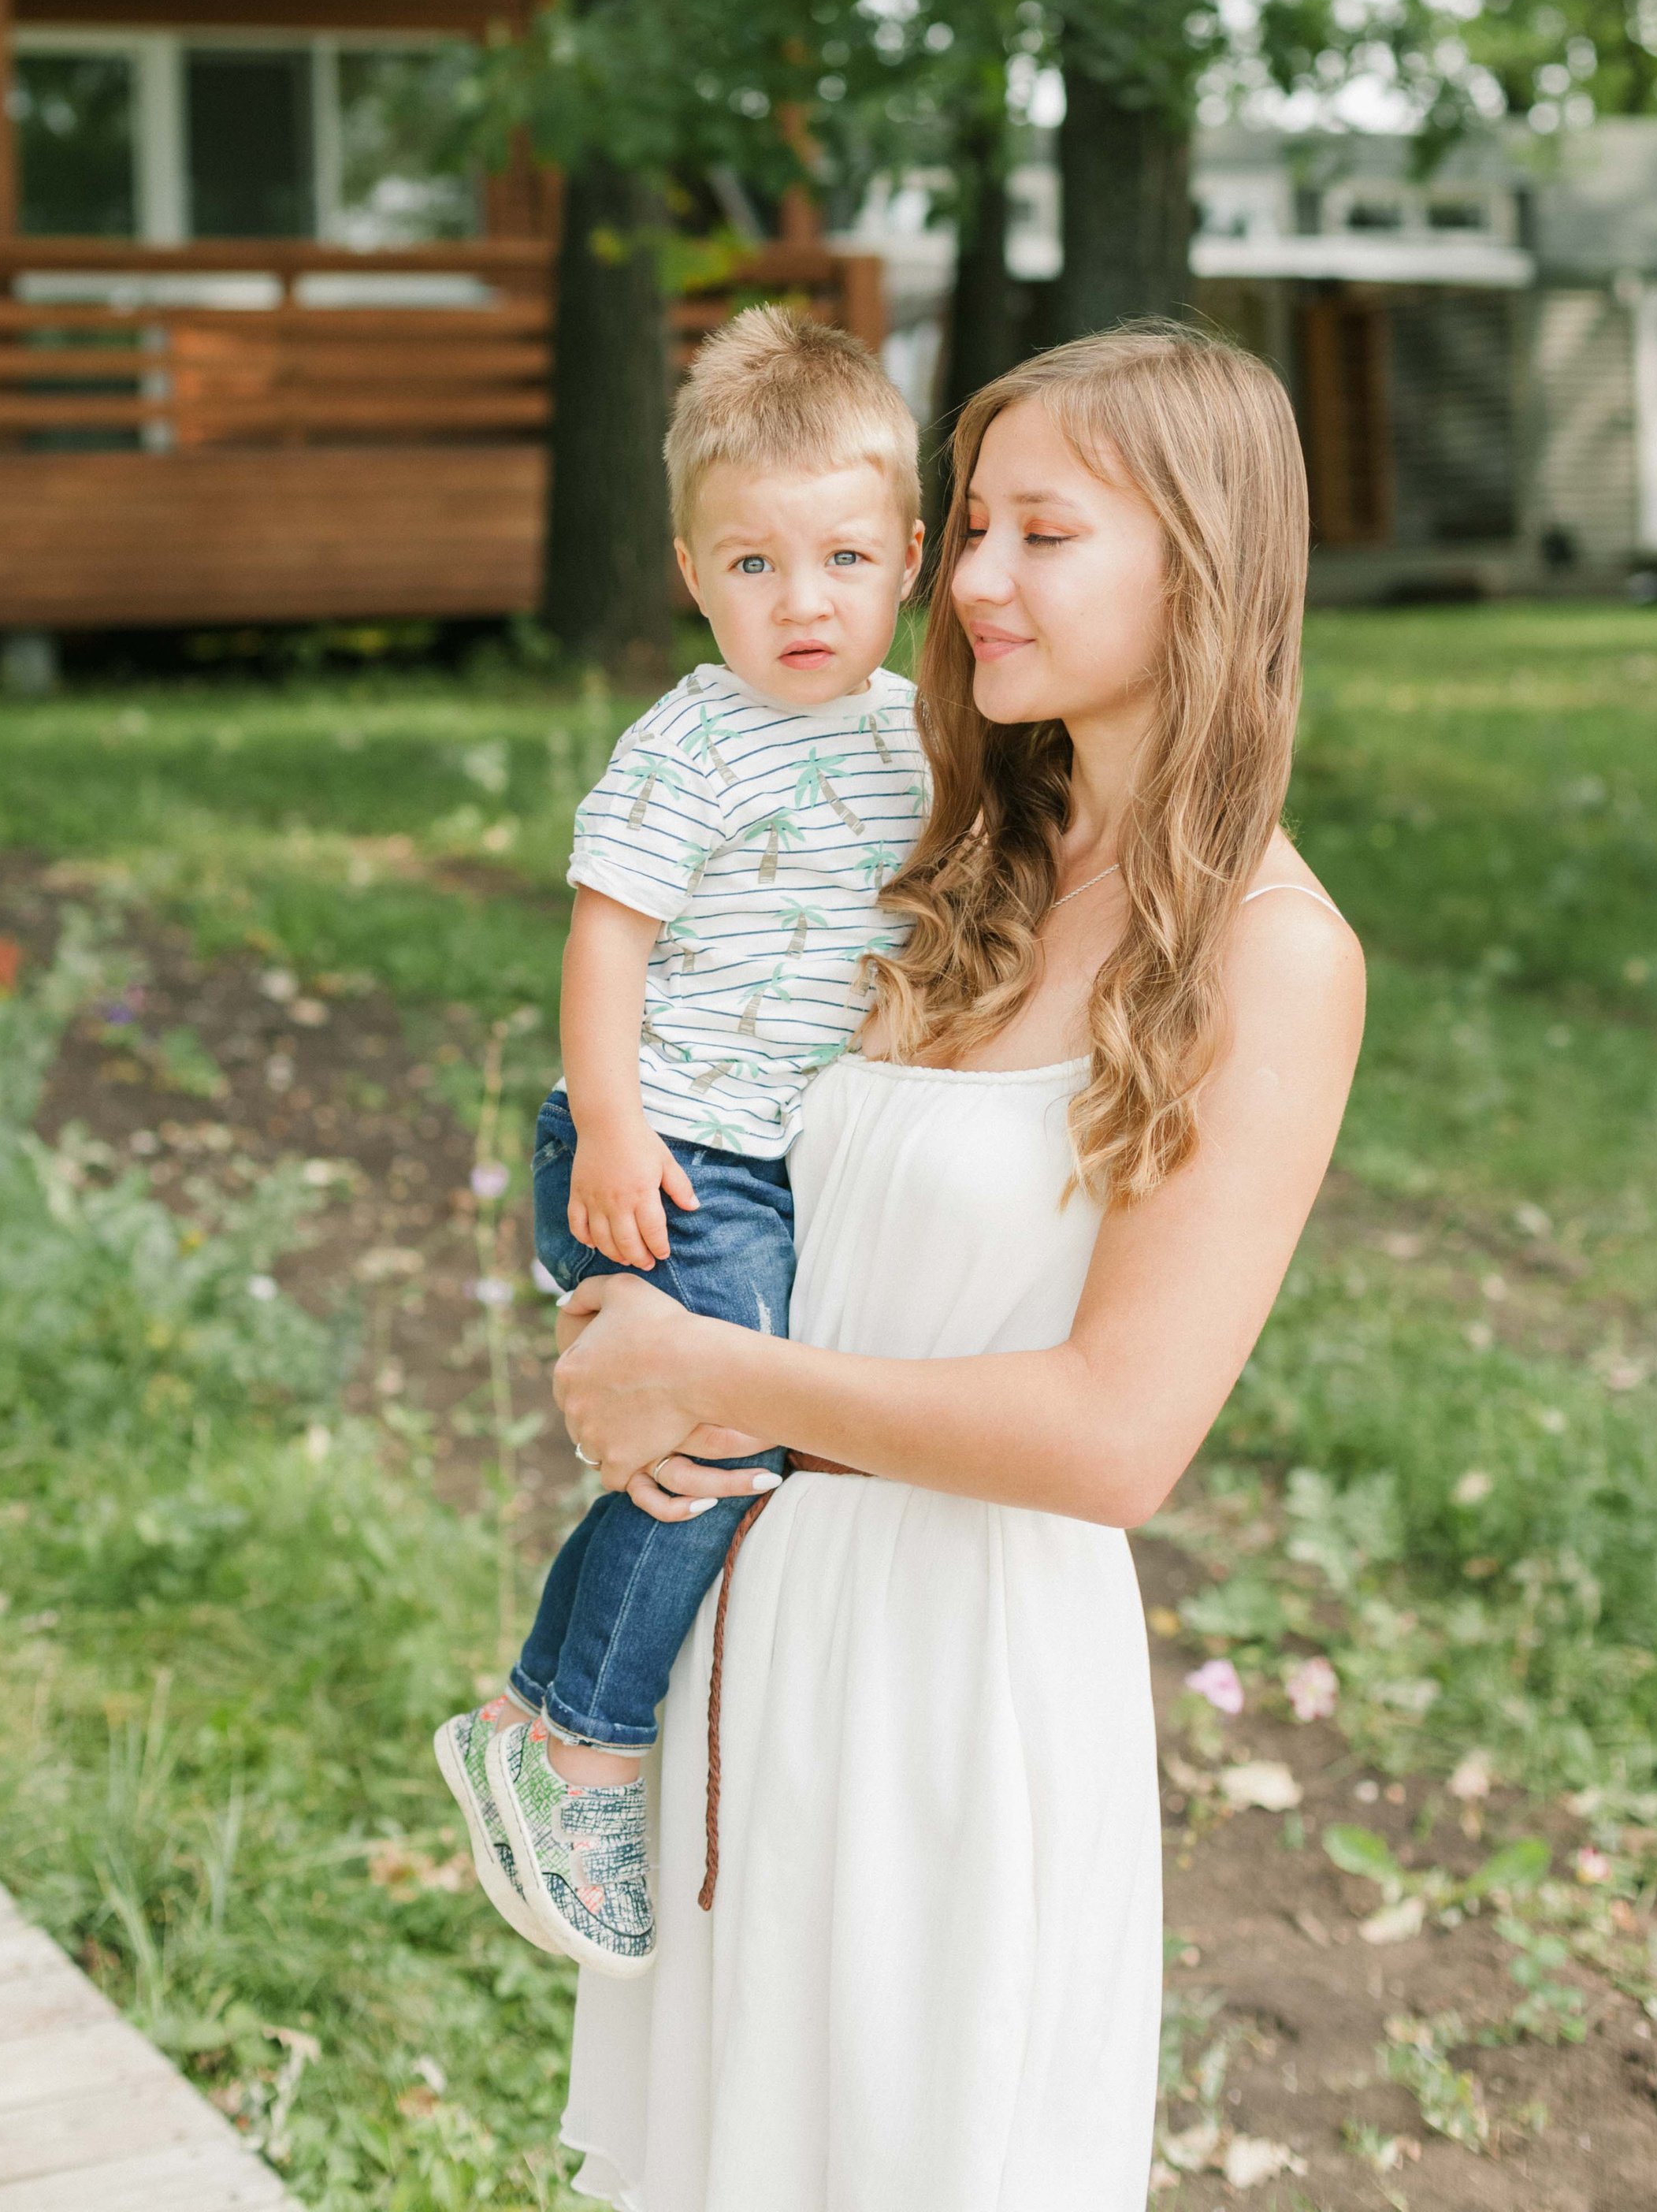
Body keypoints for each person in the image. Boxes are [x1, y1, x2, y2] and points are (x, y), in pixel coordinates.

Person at [545, 321, 1366, 2210]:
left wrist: (713, 1380)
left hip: (955, 1693)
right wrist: (620, 1316)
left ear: (1199, 565)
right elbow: (699, 1132)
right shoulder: (940, 848)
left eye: (1040, 535)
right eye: (970, 524)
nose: (968, 578)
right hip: (750, 1635)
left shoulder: (1269, 953)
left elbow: (1112, 1442)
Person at [435, 306, 930, 1976]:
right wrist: (609, 1135)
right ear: (688, 572)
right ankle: (583, 1751)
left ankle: (523, 1719)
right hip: (672, 1148)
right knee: (720, 1444)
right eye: (752, 564)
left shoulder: (912, 732)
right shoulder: (690, 744)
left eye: (842, 556)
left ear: (908, 558)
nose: (801, 602)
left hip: (778, 1157)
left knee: (699, 1448)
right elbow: (603, 945)